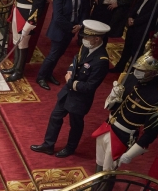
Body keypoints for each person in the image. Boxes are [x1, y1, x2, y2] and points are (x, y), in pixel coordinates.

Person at [77, 33, 158, 191]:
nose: (138, 73)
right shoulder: (130, 80)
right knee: (99, 164)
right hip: (108, 126)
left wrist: (132, 153)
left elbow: (150, 133)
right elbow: (112, 106)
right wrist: (114, 95)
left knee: (109, 172)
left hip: (123, 135)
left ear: (154, 73)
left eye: (143, 71)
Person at [31, 20, 110, 158]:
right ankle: (48, 145)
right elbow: (75, 62)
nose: (83, 39)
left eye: (86, 37)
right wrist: (70, 72)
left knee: (75, 124)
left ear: (97, 39)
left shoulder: (101, 60)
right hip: (67, 93)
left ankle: (70, 148)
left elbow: (90, 86)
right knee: (55, 117)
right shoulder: (86, 47)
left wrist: (71, 82)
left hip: (80, 99)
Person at [35, 0, 90, 91]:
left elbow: (85, 9)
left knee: (59, 54)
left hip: (72, 29)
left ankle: (49, 74)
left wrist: (80, 25)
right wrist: (71, 28)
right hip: (59, 30)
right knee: (53, 55)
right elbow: (57, 17)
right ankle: (40, 77)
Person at [0, 0, 48, 83]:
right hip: (17, 12)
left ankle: (19, 71)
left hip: (26, 17)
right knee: (16, 41)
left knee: (22, 44)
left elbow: (37, 8)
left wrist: (29, 24)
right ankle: (15, 66)